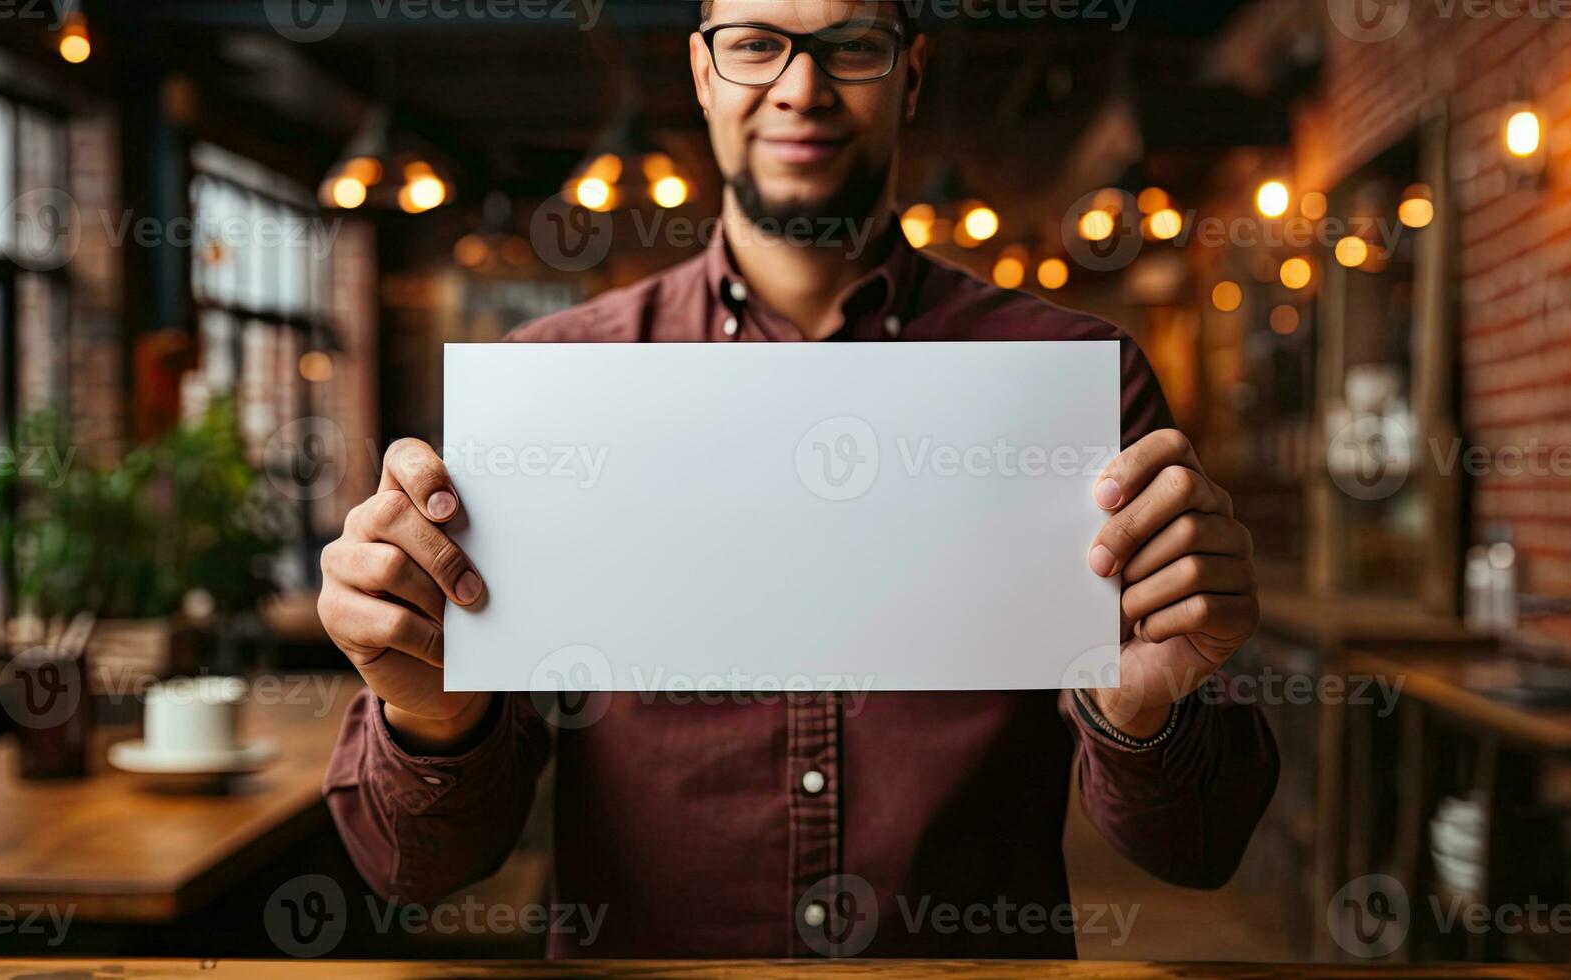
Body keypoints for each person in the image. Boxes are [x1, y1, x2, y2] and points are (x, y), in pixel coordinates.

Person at [320, 0, 1277, 958]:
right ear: (702, 75)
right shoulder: (554, 390)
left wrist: (1144, 709)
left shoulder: (1075, 381)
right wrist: (429, 715)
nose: (801, 87)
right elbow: (414, 870)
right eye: (754, 45)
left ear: (908, 73)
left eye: (851, 45)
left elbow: (1193, 846)